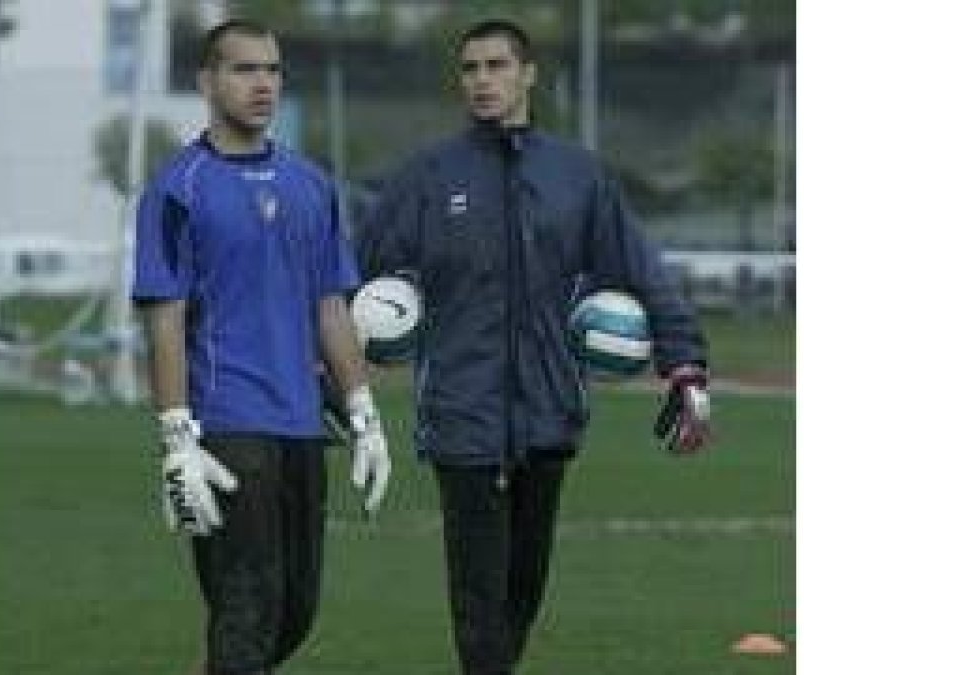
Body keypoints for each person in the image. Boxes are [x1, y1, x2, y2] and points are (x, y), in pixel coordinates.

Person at [357, 19, 711, 675]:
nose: (482, 80)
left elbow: (641, 270)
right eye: (470, 68)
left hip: (550, 414)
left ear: (529, 75)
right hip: (462, 416)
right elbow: (355, 274)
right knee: (479, 603)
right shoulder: (427, 177)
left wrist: (684, 363)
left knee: (522, 595)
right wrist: (362, 331)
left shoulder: (578, 177)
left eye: (496, 65)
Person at [131, 20, 391, 675]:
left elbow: (330, 304)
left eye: (272, 70)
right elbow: (165, 317)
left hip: (302, 426)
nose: (262, 84)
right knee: (246, 610)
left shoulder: (311, 184)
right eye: (244, 70)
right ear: (207, 82)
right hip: (225, 427)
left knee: (294, 612)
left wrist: (363, 412)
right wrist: (176, 439)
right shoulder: (177, 188)